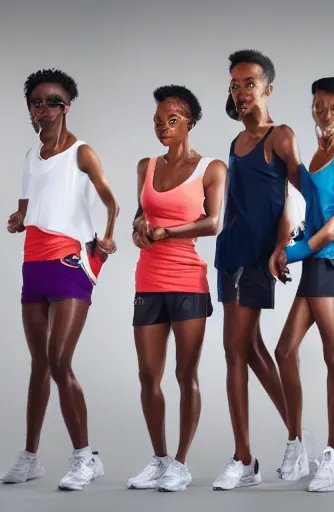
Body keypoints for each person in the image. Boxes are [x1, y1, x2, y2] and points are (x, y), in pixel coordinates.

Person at [2, 69, 120, 491]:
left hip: (70, 263)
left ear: (66, 107)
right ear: (30, 110)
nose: (44, 108)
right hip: (32, 265)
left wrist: (105, 239)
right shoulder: (31, 157)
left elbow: (111, 201)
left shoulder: (81, 152)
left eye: (53, 101)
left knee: (58, 360)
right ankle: (31, 457)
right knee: (39, 364)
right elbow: (25, 209)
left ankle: (85, 458)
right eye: (37, 102)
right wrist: (18, 219)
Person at [125, 85, 226, 493]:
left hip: (188, 281)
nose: (162, 127)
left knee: (186, 374)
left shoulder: (212, 169)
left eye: (171, 120)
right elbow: (139, 214)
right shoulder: (144, 166)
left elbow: (213, 222)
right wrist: (138, 229)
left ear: (189, 122)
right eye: (157, 121)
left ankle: (181, 463)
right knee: (148, 374)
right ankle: (160, 459)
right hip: (148, 279)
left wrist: (168, 232)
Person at [272, 77, 334, 493]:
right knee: (285, 350)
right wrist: (288, 243)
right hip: (313, 259)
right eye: (319, 106)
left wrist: (295, 251)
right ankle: (298, 442)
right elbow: (306, 207)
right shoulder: (315, 153)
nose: (325, 114)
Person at [212, 49, 302, 491]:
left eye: (249, 83)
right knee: (247, 348)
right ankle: (297, 437)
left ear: (267, 88)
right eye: (234, 84)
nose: (241, 91)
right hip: (227, 253)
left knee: (234, 349)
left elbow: (302, 192)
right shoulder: (235, 143)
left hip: (255, 257)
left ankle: (244, 458)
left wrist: (288, 243)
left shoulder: (279, 136)